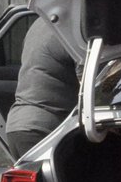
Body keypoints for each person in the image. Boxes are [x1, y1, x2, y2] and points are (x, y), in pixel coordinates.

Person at [5, 16, 79, 159]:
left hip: (17, 125)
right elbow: (90, 84)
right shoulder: (70, 27)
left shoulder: (40, 23)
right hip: (46, 129)